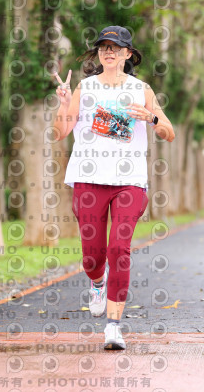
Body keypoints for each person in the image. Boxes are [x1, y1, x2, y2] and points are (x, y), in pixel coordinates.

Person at [52, 25, 175, 350]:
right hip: (89, 179)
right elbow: (60, 132)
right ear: (98, 53)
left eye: (116, 47)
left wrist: (151, 118)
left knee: (119, 249)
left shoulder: (141, 89)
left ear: (128, 54)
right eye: (104, 47)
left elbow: (169, 132)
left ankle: (113, 326)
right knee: (92, 258)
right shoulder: (86, 87)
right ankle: (97, 282)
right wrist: (64, 104)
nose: (109, 52)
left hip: (129, 182)